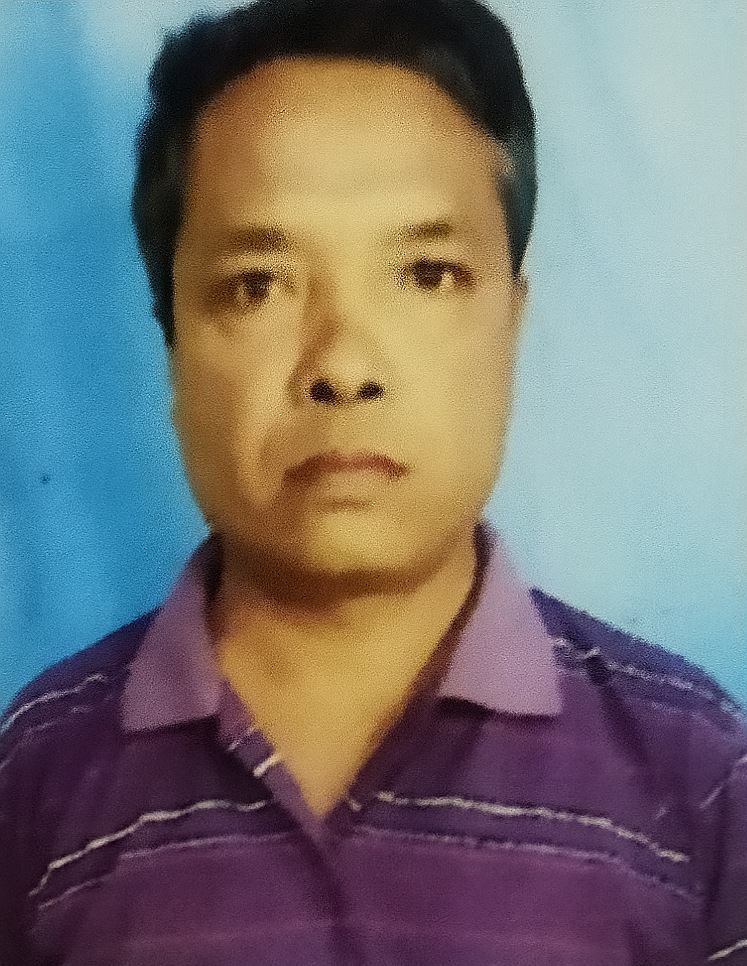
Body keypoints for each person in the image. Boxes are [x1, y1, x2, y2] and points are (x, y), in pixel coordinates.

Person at [1, 0, 745, 962]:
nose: (343, 364)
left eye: (427, 274)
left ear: (510, 323)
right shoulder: (37, 775)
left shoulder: (695, 771)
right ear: (173, 340)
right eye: (257, 285)